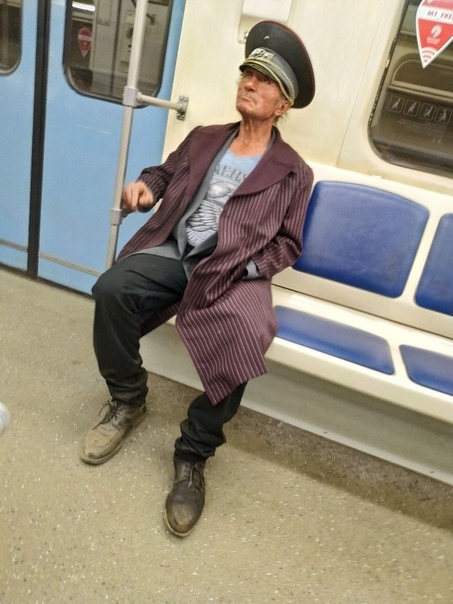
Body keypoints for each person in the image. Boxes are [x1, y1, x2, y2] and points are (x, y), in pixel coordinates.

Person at [81, 20, 315, 537]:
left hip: (234, 267)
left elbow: (288, 244)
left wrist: (247, 270)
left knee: (248, 333)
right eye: (247, 73)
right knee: (111, 289)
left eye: (264, 80)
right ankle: (128, 399)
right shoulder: (204, 138)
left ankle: (193, 454)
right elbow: (164, 174)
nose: (249, 83)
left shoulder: (294, 172)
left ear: (283, 105)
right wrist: (146, 186)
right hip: (178, 250)